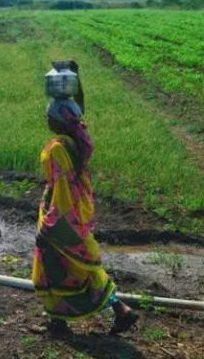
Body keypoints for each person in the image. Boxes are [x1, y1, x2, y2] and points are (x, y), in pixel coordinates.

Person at [32, 89, 138, 336]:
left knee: (52, 264)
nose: (46, 120)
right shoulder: (75, 142)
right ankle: (118, 309)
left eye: (49, 116)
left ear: (59, 120)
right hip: (76, 212)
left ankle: (59, 323)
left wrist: (51, 222)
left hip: (62, 214)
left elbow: (63, 186)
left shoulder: (59, 147)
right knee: (82, 265)